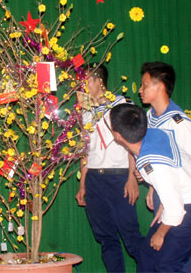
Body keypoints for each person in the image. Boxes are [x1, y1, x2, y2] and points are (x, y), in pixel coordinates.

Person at [110, 103, 191, 272]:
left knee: (166, 264)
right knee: (147, 256)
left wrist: (161, 233)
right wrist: (164, 201)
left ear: (118, 135)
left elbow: (175, 210)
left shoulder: (153, 164)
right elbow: (172, 175)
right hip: (182, 196)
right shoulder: (153, 134)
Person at [75, 64, 144, 272]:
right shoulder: (85, 110)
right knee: (106, 238)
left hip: (119, 177)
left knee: (131, 236)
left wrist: (132, 177)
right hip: (94, 179)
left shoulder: (122, 104)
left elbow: (133, 142)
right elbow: (85, 149)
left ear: (99, 81)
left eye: (86, 81)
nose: (82, 86)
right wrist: (83, 184)